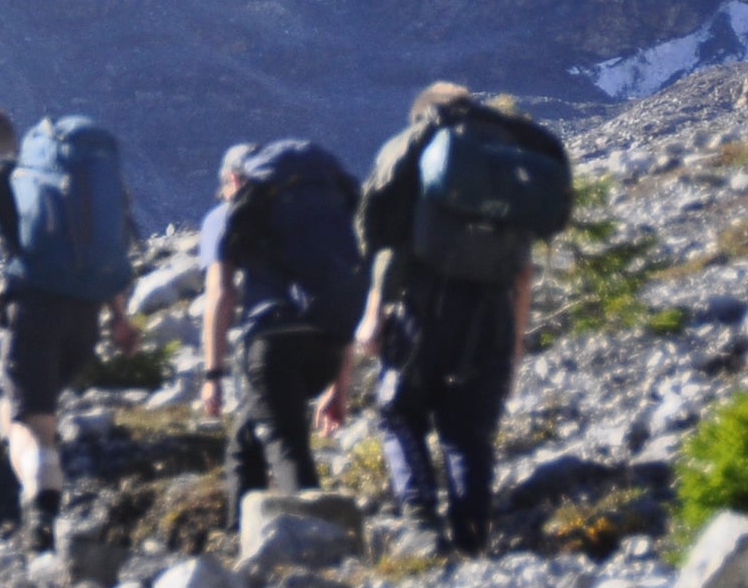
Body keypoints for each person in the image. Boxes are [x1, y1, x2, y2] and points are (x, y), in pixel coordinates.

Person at [317, 83, 571, 555]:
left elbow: (382, 244)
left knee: (399, 413)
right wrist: (513, 351)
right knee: (468, 429)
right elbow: (523, 271)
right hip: (494, 309)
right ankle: (472, 536)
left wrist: (372, 316)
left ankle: (420, 522)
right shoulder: (507, 157)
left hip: (425, 305)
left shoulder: (417, 149)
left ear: (422, 115)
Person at [0, 108, 140, 552]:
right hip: (86, 316)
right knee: (25, 409)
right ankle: (44, 495)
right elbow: (106, 253)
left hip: (35, 310)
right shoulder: (57, 179)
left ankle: (41, 516)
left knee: (30, 424)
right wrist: (119, 318)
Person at [197, 137, 365, 524]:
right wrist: (338, 387)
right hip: (328, 343)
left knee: (285, 444)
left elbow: (221, 295)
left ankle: (321, 539)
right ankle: (244, 534)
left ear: (233, 180)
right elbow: (343, 290)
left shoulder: (225, 215)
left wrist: (212, 375)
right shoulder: (319, 215)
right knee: (246, 442)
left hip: (272, 342)